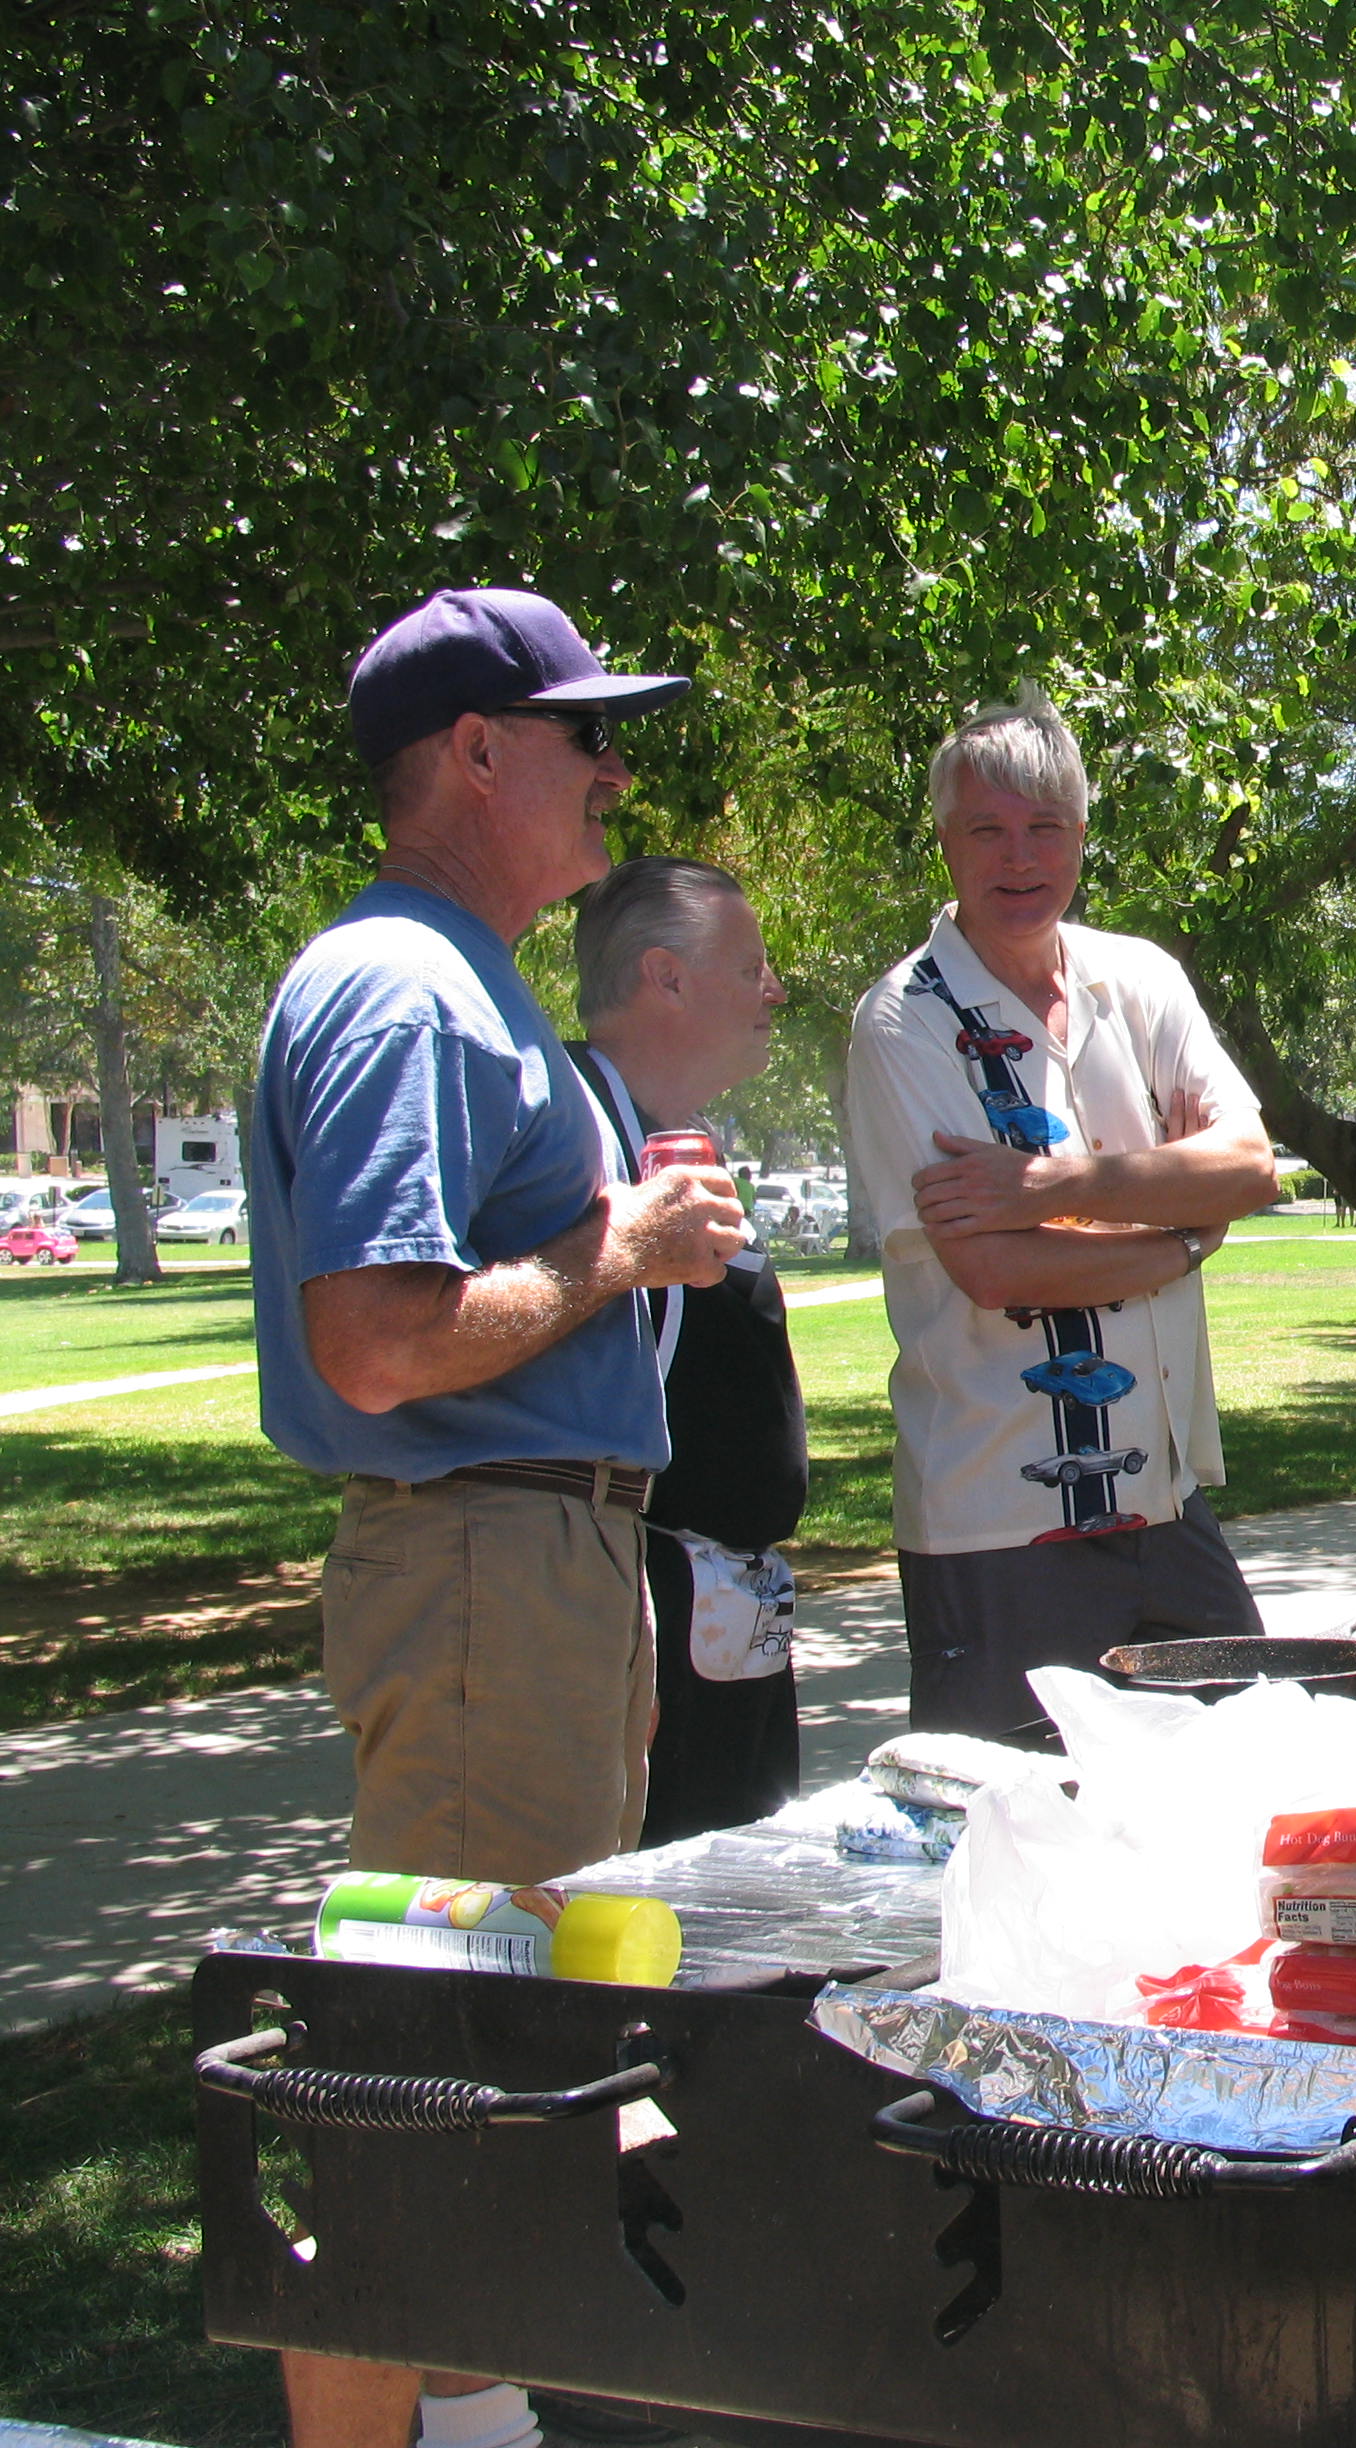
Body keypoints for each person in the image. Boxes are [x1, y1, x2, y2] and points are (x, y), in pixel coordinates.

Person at [250, 587, 744, 2448]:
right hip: (478, 1570)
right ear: (476, 753)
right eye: (582, 734)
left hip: (530, 1567)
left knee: (509, 2046)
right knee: (435, 2074)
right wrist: (612, 1244)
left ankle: (473, 2419)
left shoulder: (460, 979)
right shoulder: (403, 985)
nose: (615, 769)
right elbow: (375, 1341)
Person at [845, 686, 1280, 1745]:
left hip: (1169, 1510)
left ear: (1082, 837)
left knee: (1238, 1787)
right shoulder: (903, 1025)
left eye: (1045, 829)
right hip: (996, 1527)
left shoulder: (1140, 979)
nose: (1019, 859)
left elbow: (1253, 1166)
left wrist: (1064, 1188)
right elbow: (999, 1277)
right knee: (1013, 1832)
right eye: (986, 831)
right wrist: (1182, 1235)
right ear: (946, 843)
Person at [572, 857, 811, 1843]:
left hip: (729, 1617)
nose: (775, 989)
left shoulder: (679, 1139)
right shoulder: (573, 1137)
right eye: (749, 965)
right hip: (636, 1610)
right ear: (665, 978)